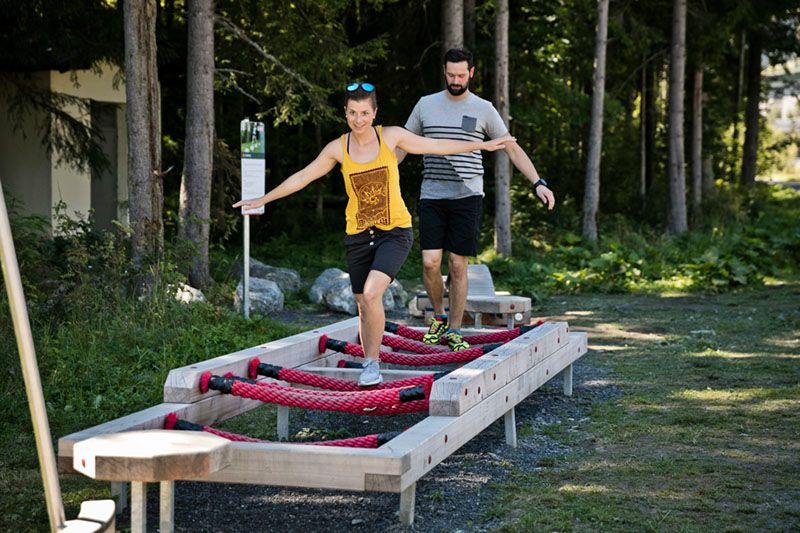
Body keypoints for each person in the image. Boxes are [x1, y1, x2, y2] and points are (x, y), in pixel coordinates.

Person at [233, 83, 513, 386]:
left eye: (365, 113)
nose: (358, 119)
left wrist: (481, 146)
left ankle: (371, 364)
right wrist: (263, 199)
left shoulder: (390, 137)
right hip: (357, 235)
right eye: (353, 113)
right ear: (345, 113)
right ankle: (370, 359)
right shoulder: (338, 148)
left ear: (374, 113)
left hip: (394, 232)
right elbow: (303, 176)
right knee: (362, 304)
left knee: (371, 293)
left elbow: (436, 146)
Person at [400, 48, 556, 352]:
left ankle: (455, 330)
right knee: (430, 263)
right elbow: (403, 145)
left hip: (467, 196)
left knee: (458, 266)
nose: (455, 80)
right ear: (444, 72)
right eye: (450, 74)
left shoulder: (483, 108)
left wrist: (538, 182)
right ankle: (439, 317)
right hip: (432, 193)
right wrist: (379, 173)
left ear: (471, 73)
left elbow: (511, 147)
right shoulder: (425, 105)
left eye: (461, 75)